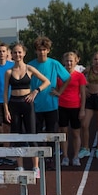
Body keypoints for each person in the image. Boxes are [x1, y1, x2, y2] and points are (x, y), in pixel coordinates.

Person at [3, 43, 50, 178]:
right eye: (15, 53)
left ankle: (36, 167)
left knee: (32, 134)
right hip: (14, 104)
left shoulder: (30, 69)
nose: (17, 55)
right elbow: (5, 93)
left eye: (19, 52)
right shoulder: (9, 72)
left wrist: (36, 91)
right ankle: (20, 166)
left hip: (27, 103)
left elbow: (46, 81)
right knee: (17, 136)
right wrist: (6, 110)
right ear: (11, 55)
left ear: (24, 54)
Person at [28, 36, 71, 169]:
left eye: (44, 49)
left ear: (48, 50)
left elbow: (67, 78)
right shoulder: (30, 65)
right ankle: (39, 158)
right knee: (37, 132)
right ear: (36, 51)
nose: (42, 52)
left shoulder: (54, 64)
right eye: (39, 50)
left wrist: (60, 92)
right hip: (35, 105)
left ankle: (50, 157)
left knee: (51, 132)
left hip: (51, 104)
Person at [56, 52, 86, 166]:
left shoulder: (80, 76)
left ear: (75, 61)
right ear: (64, 61)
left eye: (71, 61)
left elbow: (83, 94)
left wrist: (82, 109)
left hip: (75, 107)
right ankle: (65, 156)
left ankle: (76, 156)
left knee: (76, 133)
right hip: (62, 107)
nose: (69, 63)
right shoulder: (59, 75)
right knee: (64, 133)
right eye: (67, 61)